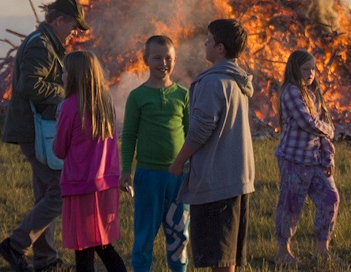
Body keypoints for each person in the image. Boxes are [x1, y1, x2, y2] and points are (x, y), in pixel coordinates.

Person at [0, 0, 89, 272]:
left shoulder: (46, 42)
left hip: (36, 130)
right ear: (59, 20)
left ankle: (45, 261)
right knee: (61, 191)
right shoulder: (41, 45)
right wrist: (68, 94)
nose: (75, 33)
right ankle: (15, 244)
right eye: (73, 26)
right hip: (34, 131)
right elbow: (30, 85)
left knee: (45, 195)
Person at [168, 19, 254, 272]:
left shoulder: (213, 83)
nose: (205, 43)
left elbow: (200, 130)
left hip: (217, 182)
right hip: (239, 178)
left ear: (220, 48)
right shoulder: (239, 81)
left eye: (209, 40)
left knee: (220, 259)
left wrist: (179, 161)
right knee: (228, 259)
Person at [119, 36, 190, 272]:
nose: (163, 63)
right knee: (144, 234)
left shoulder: (182, 94)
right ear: (145, 60)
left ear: (175, 60)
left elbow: (191, 135)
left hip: (178, 177)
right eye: (157, 58)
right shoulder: (138, 97)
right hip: (148, 177)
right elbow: (129, 135)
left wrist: (193, 168)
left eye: (168, 58)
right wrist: (125, 170)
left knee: (179, 235)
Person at [52, 51, 126, 272]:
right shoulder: (106, 104)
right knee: (103, 245)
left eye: (65, 71)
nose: (62, 75)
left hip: (80, 185)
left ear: (74, 76)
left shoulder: (68, 107)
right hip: (106, 185)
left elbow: (59, 149)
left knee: (83, 249)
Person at [273, 49, 339, 264]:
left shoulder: (312, 93)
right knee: (290, 204)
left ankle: (322, 248)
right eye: (305, 69)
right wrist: (329, 129)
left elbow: (319, 132)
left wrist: (328, 155)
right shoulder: (292, 91)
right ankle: (283, 252)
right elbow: (307, 122)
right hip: (294, 159)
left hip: (315, 160)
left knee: (330, 198)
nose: (311, 73)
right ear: (295, 69)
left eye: (313, 69)